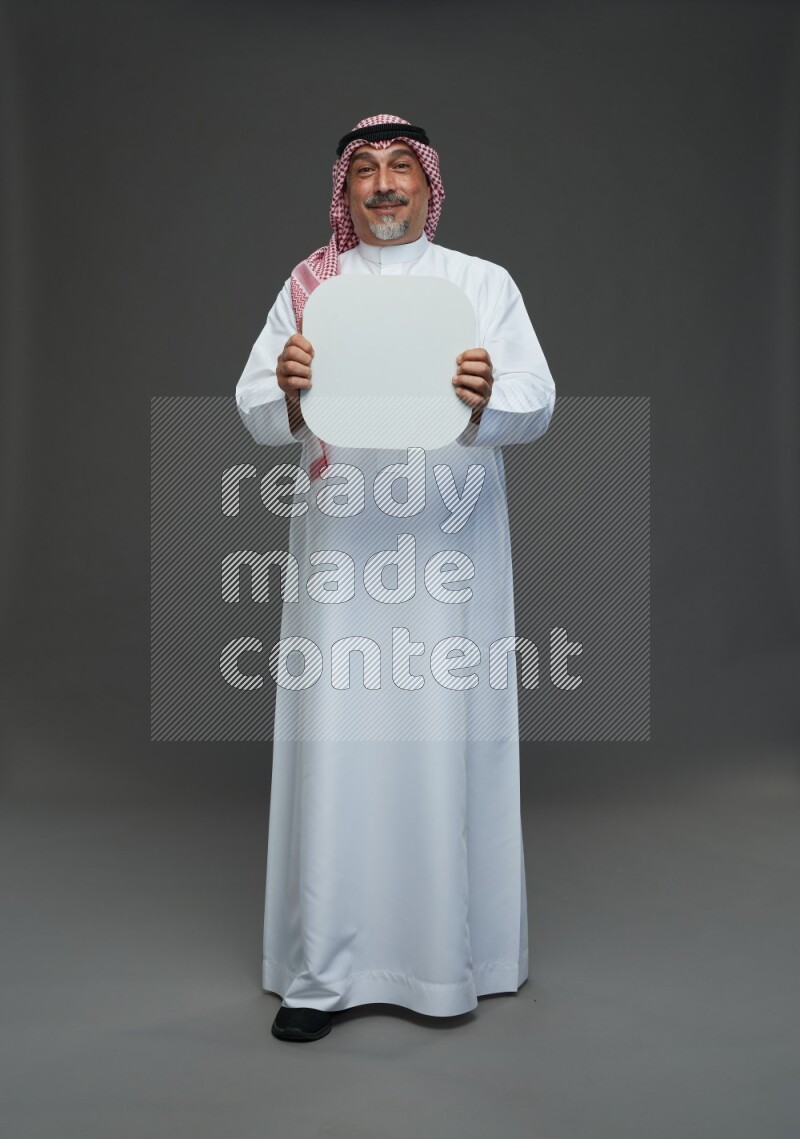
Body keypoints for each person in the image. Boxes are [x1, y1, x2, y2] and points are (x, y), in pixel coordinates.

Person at [235, 114, 556, 1043]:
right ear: (346, 189)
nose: (383, 185)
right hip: (342, 552)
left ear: (428, 184)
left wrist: (487, 393)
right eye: (366, 170)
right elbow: (256, 402)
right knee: (338, 738)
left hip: (448, 550)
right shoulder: (312, 285)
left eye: (400, 168)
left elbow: (538, 400)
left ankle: (456, 961)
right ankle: (321, 972)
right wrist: (291, 388)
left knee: (443, 736)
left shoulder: (480, 285)